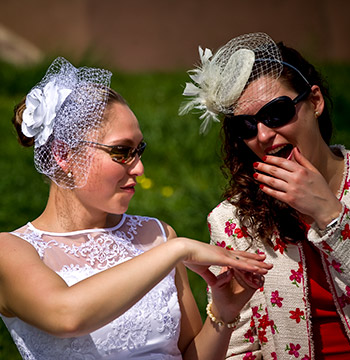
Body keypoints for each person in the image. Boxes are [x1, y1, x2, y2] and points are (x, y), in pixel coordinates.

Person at [0, 57, 273, 360]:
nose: (139, 168)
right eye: (121, 152)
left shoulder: (156, 234)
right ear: (63, 154)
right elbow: (67, 315)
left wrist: (222, 314)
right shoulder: (10, 250)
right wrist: (176, 250)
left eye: (139, 150)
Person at [180, 32, 350, 359]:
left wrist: (330, 216)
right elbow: (238, 349)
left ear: (315, 102)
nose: (262, 135)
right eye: (245, 126)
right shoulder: (234, 220)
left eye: (276, 113)